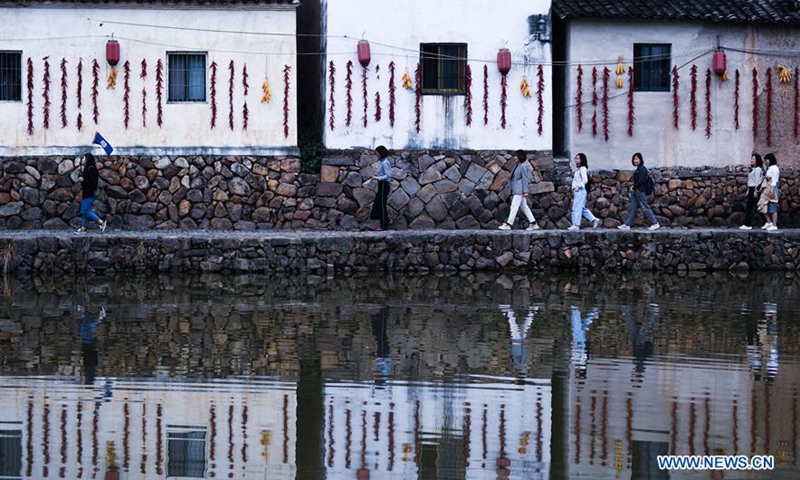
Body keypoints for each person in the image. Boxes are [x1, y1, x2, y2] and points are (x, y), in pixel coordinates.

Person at [499, 149, 540, 231]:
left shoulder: (523, 166)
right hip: (517, 190)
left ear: (520, 157)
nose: (514, 157)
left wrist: (525, 191)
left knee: (514, 206)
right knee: (524, 207)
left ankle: (508, 224)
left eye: (516, 156)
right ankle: (533, 223)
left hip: (520, 190)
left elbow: (525, 179)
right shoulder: (518, 165)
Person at [618, 152, 660, 230]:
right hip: (636, 191)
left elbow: (641, 181)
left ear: (640, 159)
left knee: (645, 207)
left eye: (637, 159)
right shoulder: (638, 169)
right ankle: (627, 225)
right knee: (632, 207)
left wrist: (634, 187)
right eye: (634, 159)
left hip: (640, 191)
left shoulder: (642, 169)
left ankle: (655, 223)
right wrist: (634, 187)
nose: (635, 161)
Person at [76, 153, 107, 233]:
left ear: (87, 159)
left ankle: (101, 222)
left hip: (90, 193)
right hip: (86, 193)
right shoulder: (86, 168)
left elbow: (93, 182)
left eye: (83, 158)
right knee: (86, 210)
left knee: (84, 211)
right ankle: (84, 227)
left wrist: (83, 180)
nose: (82, 159)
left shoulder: (91, 169)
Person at [568, 153, 600, 231]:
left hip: (580, 190)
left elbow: (585, 180)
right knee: (581, 208)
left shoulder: (582, 169)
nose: (576, 160)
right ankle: (593, 219)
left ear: (582, 160)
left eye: (578, 158)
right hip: (579, 191)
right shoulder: (579, 169)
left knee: (576, 208)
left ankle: (576, 225)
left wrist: (579, 186)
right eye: (575, 158)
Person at [739, 153, 764, 230]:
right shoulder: (754, 169)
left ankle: (748, 224)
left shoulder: (758, 169)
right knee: (755, 206)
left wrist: (755, 191)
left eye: (753, 159)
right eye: (751, 159)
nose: (751, 160)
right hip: (751, 189)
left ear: (757, 160)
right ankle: (768, 222)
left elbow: (757, 181)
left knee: (750, 207)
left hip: (754, 189)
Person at [370, 146, 392, 230]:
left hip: (384, 185)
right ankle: (387, 220)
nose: (377, 155)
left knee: (381, 205)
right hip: (381, 185)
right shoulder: (382, 162)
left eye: (377, 154)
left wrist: (377, 178)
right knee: (377, 203)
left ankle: (383, 225)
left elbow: (388, 176)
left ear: (381, 153)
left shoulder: (385, 163)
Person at [761, 153, 780, 231]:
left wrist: (771, 190)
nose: (765, 162)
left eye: (766, 160)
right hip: (768, 187)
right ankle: (769, 222)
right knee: (763, 205)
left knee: (773, 206)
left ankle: (774, 225)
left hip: (772, 188)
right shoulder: (769, 168)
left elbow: (774, 180)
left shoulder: (774, 168)